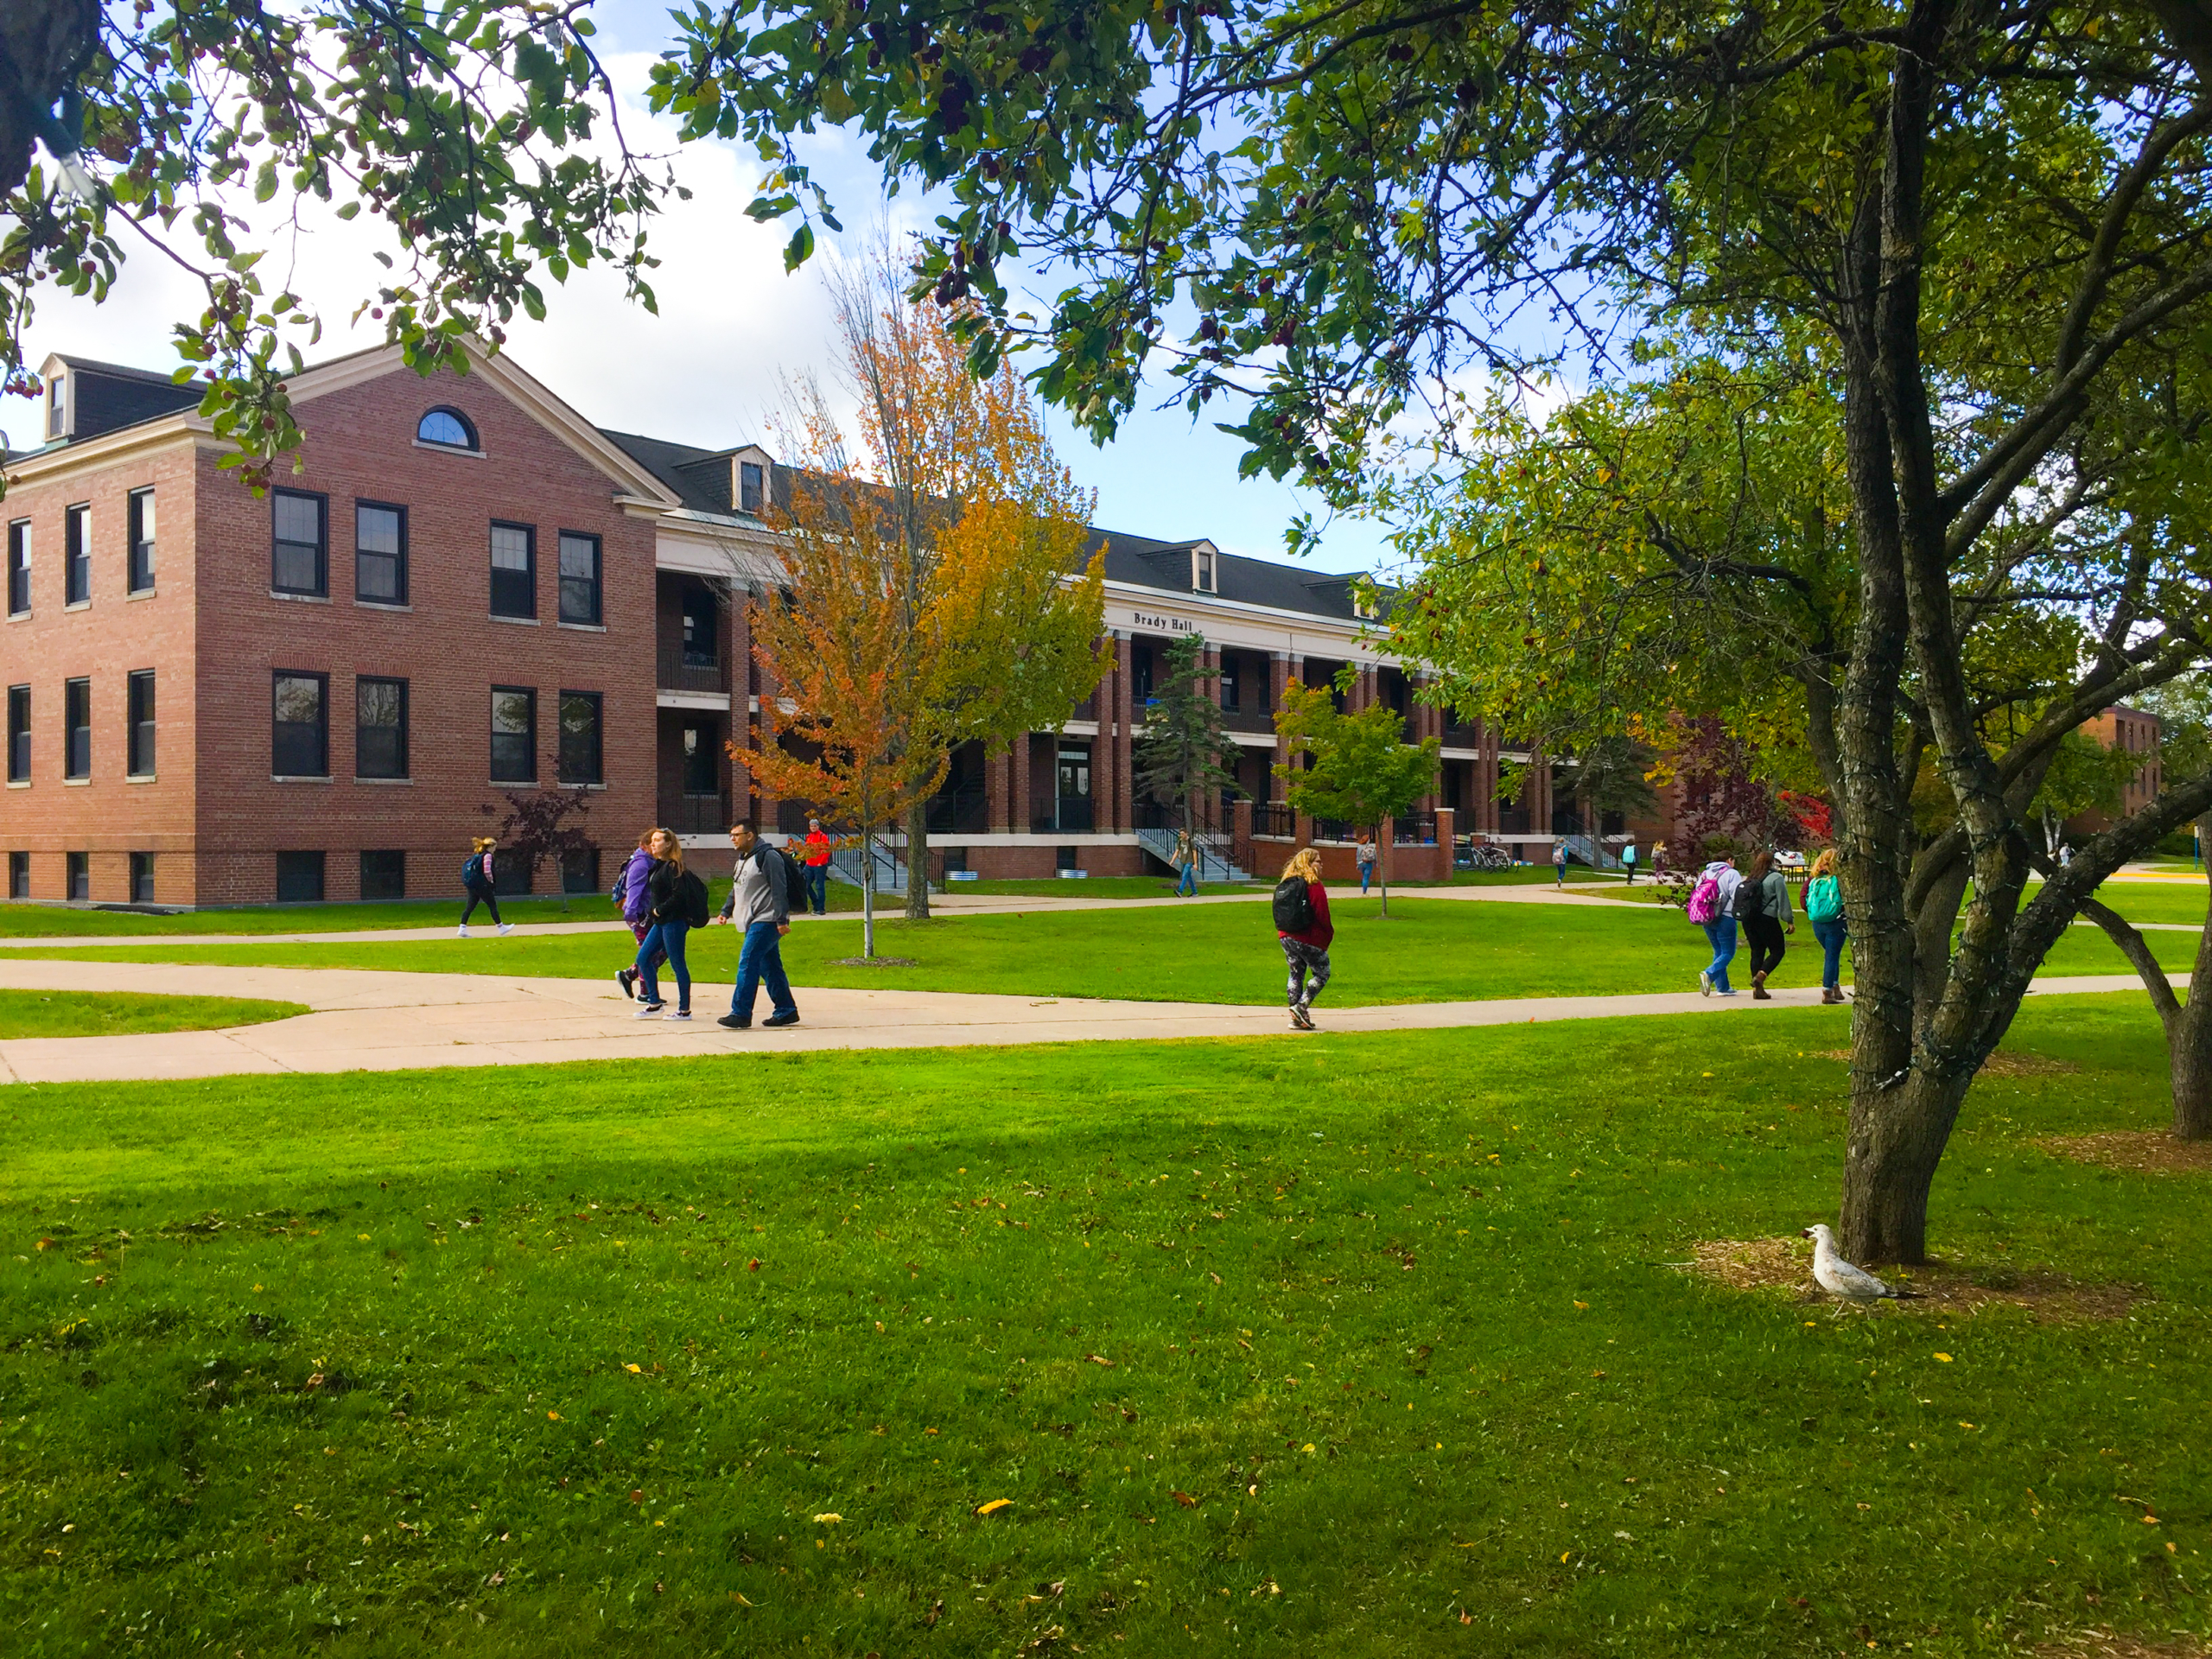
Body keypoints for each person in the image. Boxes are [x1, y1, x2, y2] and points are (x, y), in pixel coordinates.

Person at [712, 819, 799, 1029]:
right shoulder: (743, 858)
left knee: (748, 962)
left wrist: (781, 919)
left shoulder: (768, 857)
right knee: (770, 967)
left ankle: (740, 1013)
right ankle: (786, 1010)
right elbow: (737, 887)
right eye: (731, 835)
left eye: (736, 835)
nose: (732, 839)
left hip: (766, 920)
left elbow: (779, 888)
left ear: (750, 835)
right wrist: (726, 910)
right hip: (752, 921)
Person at [631, 828, 696, 1020]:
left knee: (678, 964)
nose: (653, 843)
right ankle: (654, 1003)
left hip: (674, 922)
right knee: (643, 958)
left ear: (668, 844)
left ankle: (684, 1010)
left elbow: (680, 895)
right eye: (652, 840)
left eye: (658, 840)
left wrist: (660, 909)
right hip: (660, 923)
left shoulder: (674, 866)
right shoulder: (659, 865)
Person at [1274, 845, 1334, 1030]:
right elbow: (1322, 913)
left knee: (1295, 973)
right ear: (1309, 864)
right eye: (1318, 861)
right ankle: (1301, 1006)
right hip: (1307, 937)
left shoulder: (1287, 883)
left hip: (1286, 936)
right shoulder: (1312, 885)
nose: (1321, 865)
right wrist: (1328, 934)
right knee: (1322, 972)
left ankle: (1296, 1017)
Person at [1737, 849, 1796, 1000]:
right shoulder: (1776, 878)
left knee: (1757, 951)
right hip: (1767, 918)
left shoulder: (1751, 877)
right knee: (1777, 951)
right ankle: (1761, 977)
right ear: (1772, 862)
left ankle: (1758, 990)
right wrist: (1789, 920)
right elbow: (1783, 901)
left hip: (1749, 920)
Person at [614, 830, 659, 1000]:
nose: (656, 846)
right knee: (649, 953)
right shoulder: (641, 864)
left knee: (658, 951)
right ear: (645, 845)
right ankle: (645, 993)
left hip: (647, 913)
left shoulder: (651, 862)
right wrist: (632, 915)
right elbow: (634, 890)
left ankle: (629, 975)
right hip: (640, 915)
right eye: (653, 842)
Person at [1688, 853, 1741, 995]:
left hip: (1707, 916)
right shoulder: (1731, 873)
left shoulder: (1705, 874)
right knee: (1728, 952)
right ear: (1729, 860)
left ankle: (1723, 987)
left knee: (1718, 951)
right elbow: (1736, 895)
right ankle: (1709, 974)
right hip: (1726, 915)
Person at [1804, 849, 1847, 1003]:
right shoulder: (1838, 879)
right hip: (1835, 921)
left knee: (1831, 954)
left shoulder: (1815, 879)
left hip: (1817, 922)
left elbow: (1804, 899)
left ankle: (1835, 986)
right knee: (1832, 956)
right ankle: (1828, 990)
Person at [458, 836, 513, 938]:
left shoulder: (478, 855)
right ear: (491, 846)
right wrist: (491, 881)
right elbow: (487, 870)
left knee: (470, 906)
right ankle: (501, 927)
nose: (495, 849)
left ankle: (462, 928)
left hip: (472, 885)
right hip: (482, 885)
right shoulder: (488, 856)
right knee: (492, 905)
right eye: (495, 847)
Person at [801, 817, 833, 916]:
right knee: (805, 884)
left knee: (819, 886)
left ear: (818, 826)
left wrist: (821, 862)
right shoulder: (809, 837)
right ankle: (816, 904)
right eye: (811, 826)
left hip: (819, 865)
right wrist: (807, 860)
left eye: (815, 826)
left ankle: (821, 908)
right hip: (809, 864)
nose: (813, 827)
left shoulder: (822, 837)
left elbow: (826, 850)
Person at [1173, 827, 1200, 898]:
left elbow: (1194, 852)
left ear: (1186, 833)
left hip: (1189, 861)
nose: (1181, 835)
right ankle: (1195, 892)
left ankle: (1180, 891)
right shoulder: (1180, 841)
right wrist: (1172, 860)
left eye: (1182, 834)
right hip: (1183, 860)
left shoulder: (1190, 841)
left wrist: (1195, 863)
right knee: (1188, 877)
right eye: (1180, 834)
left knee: (1184, 875)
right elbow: (1177, 851)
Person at [1355, 831, 1376, 895]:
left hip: (1362, 863)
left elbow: (1358, 856)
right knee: (1366, 877)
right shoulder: (1372, 846)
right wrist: (1376, 863)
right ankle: (1364, 892)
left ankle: (1364, 891)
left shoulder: (1359, 847)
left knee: (1364, 877)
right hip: (1368, 863)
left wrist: (1358, 864)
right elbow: (1375, 855)